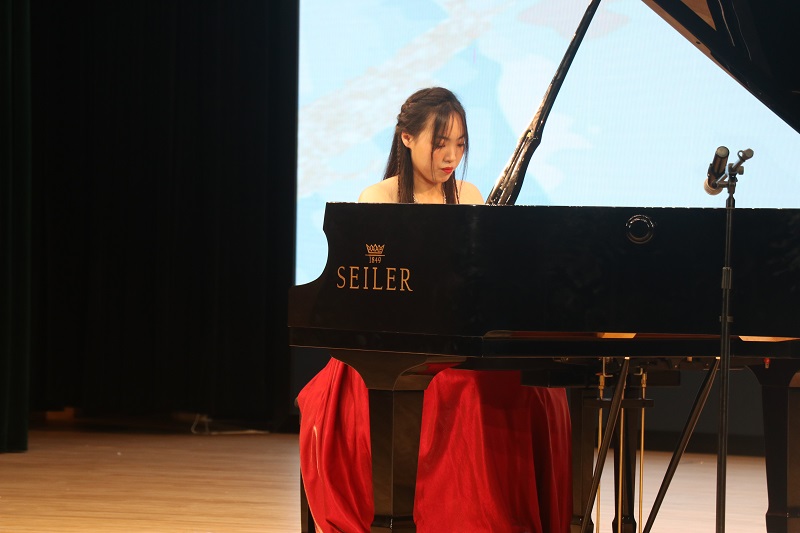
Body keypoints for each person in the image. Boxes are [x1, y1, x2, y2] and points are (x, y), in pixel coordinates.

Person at [297, 87, 573, 532]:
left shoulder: (468, 194)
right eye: (440, 143)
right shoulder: (379, 198)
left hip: (457, 344)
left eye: (460, 144)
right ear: (407, 138)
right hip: (395, 348)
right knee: (464, 393)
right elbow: (372, 299)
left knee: (539, 389)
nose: (451, 156)